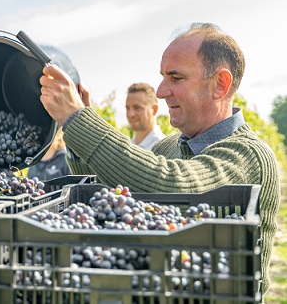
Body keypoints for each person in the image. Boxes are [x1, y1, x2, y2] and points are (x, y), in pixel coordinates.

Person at [39, 22, 280, 295]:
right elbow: (113, 188)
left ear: (219, 84)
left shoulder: (250, 155)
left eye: (176, 78)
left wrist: (78, 119)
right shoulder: (167, 147)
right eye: (163, 77)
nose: (162, 90)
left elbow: (174, 185)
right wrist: (74, 124)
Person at [125, 82, 166, 150]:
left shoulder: (164, 149)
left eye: (137, 108)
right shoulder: (126, 148)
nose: (131, 114)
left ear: (154, 109)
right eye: (128, 108)